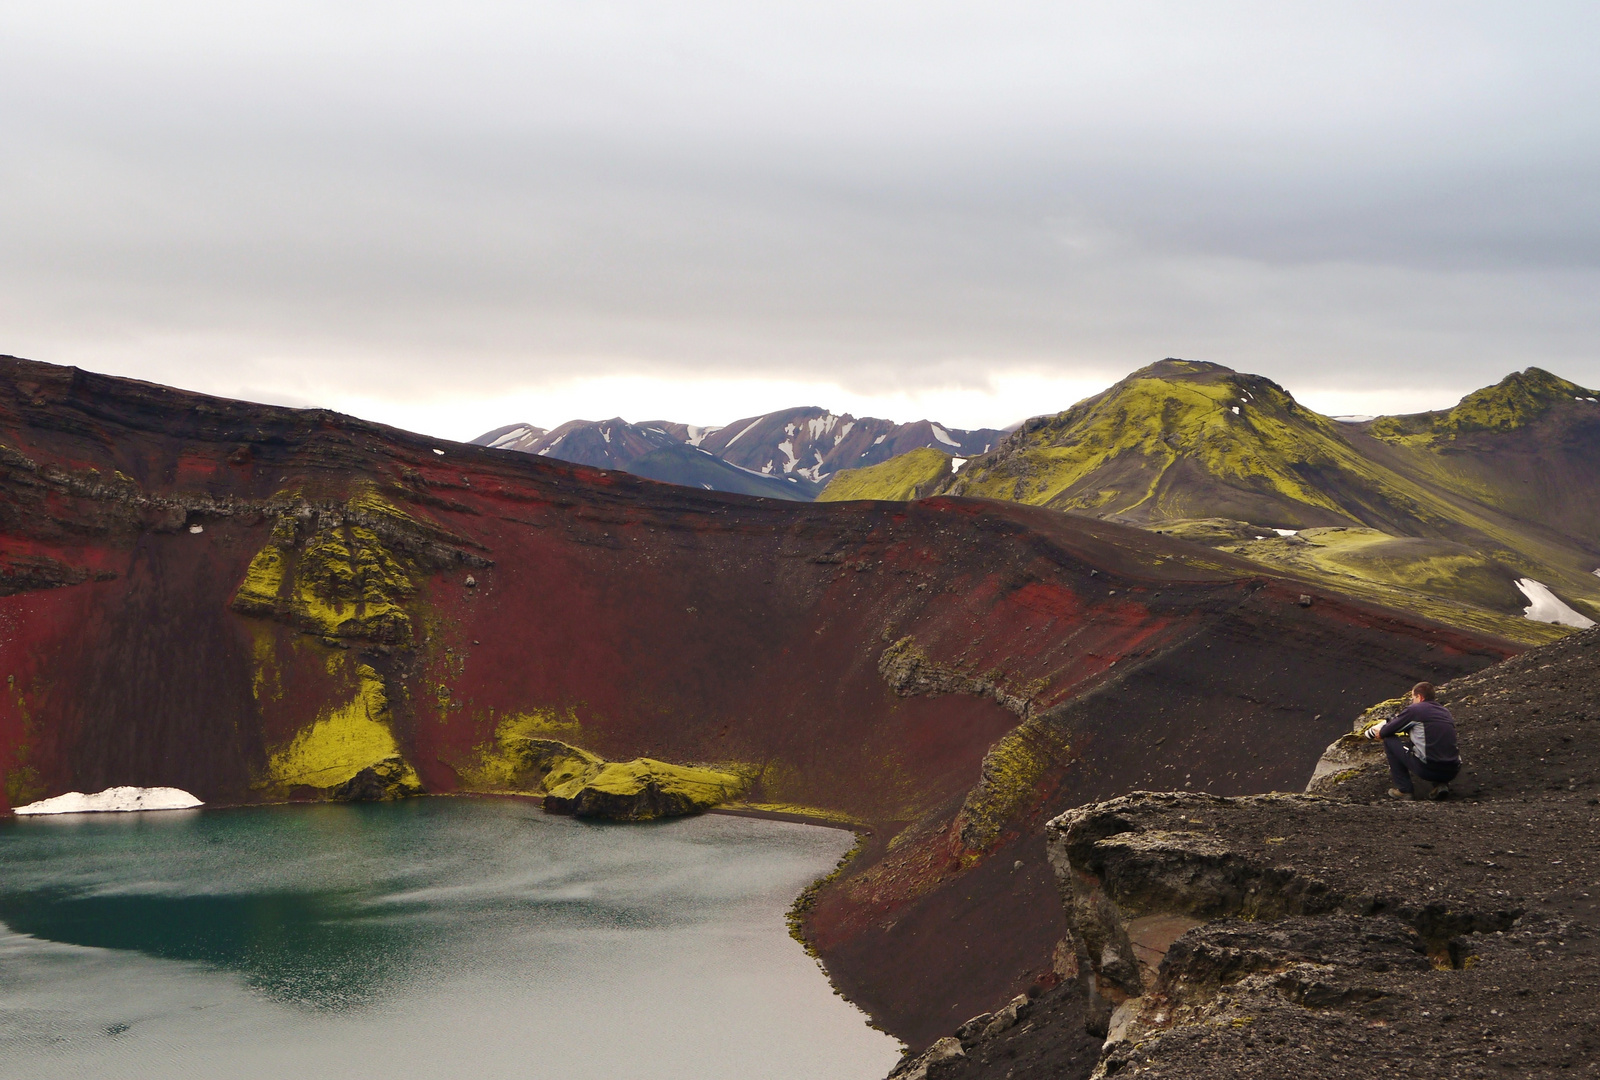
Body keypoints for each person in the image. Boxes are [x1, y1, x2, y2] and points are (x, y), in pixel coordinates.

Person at [1366, 681, 1460, 800]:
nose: (1412, 701)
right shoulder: (1445, 712)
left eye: (1413, 698)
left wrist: (1378, 732)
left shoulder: (1415, 710)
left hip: (1428, 768)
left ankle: (1404, 790)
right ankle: (1441, 785)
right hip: (1452, 770)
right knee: (1433, 743)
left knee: (1389, 740)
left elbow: (1386, 732)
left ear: (1419, 697)